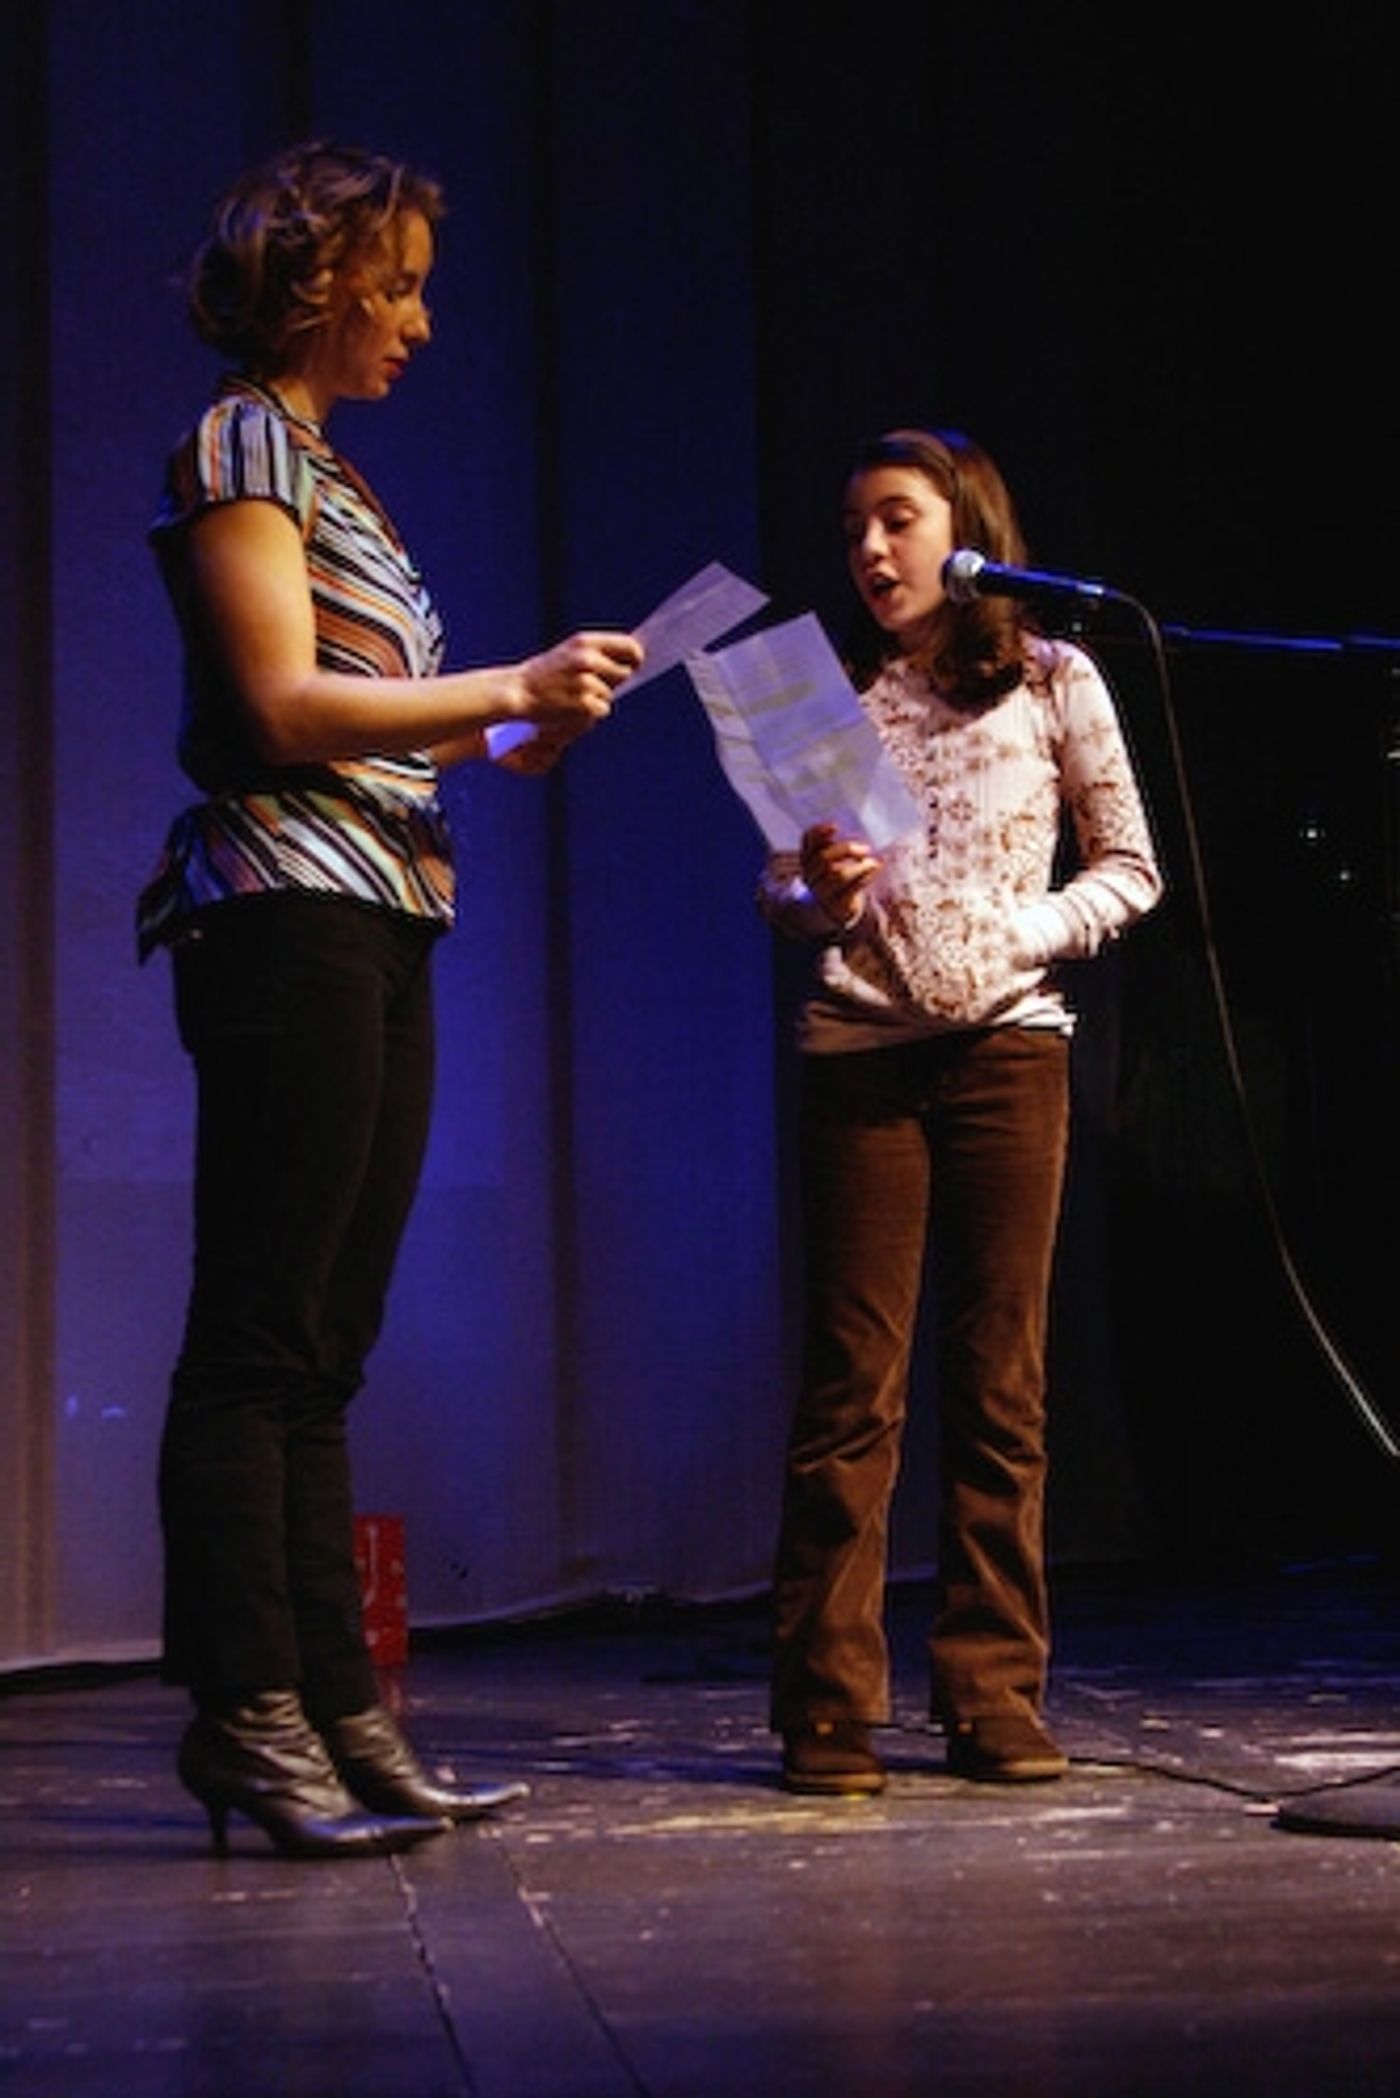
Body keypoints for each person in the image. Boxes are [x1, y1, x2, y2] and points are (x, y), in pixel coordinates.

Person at [137, 140, 643, 1858]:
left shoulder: (336, 476)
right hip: (284, 911)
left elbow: (378, 716)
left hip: (385, 908)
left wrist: (510, 729)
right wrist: (500, 680)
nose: (421, 321)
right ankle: (247, 1713)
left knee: (325, 1348)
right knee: (260, 1332)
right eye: (401, 284)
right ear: (320, 278)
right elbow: (281, 706)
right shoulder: (241, 443)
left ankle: (341, 1710)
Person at [762, 427, 1162, 1796]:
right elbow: (781, 886)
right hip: (860, 1054)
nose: (871, 551)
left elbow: (1130, 868)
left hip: (1007, 1052)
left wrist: (1016, 932)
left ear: (968, 530)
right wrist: (817, 890)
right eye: (854, 530)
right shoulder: (829, 700)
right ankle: (828, 1706)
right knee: (851, 1387)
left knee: (1001, 1383)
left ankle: (992, 1690)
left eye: (898, 519)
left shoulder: (1056, 677)